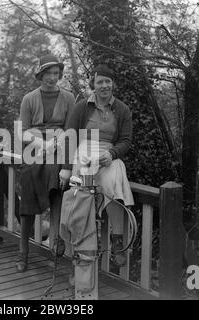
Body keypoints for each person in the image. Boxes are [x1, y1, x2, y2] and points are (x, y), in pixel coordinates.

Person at [59, 64, 134, 266]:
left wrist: (112, 153)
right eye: (100, 82)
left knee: (113, 183)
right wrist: (66, 167)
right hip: (83, 151)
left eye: (107, 82)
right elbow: (70, 137)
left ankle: (117, 239)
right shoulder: (82, 106)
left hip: (108, 153)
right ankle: (81, 252)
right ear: (94, 84)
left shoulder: (122, 109)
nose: (104, 86)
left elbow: (126, 140)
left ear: (113, 84)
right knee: (83, 194)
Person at [16, 54, 75, 272]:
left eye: (56, 73)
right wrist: (42, 145)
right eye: (48, 73)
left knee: (57, 178)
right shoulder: (29, 99)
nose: (52, 77)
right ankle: (23, 253)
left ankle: (55, 236)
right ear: (40, 74)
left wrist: (57, 146)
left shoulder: (68, 98)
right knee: (29, 183)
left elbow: (70, 132)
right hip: (34, 148)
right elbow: (23, 133)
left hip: (59, 148)